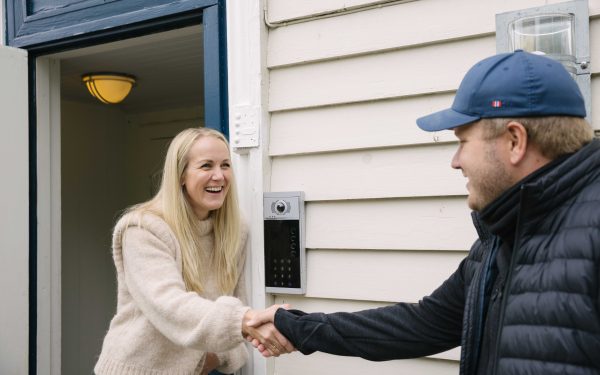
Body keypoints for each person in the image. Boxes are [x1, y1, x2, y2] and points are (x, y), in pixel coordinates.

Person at [246, 50, 600, 374]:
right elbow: (423, 324)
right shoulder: (503, 235)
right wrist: (296, 326)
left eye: (462, 141)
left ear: (514, 141)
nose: (455, 162)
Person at [94, 127, 293, 375]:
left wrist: (214, 356)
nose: (219, 176)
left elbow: (235, 301)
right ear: (181, 175)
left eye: (225, 165)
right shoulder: (143, 229)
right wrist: (245, 321)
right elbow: (168, 305)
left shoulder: (234, 230)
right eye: (206, 166)